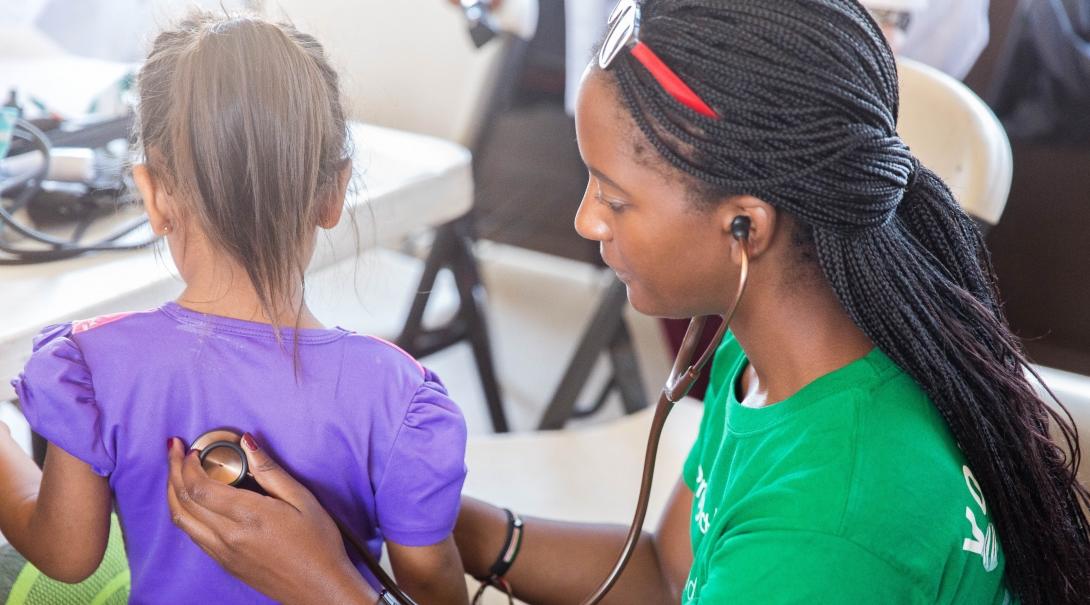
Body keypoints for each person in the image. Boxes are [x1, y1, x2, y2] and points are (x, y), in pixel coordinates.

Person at [166, 1, 1090, 604]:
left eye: (613, 195)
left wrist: (327, 584)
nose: (581, 218)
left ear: (745, 224)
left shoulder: (828, 528)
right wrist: (440, 517)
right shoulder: (781, 344)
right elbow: (664, 574)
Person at [0, 12, 470, 605]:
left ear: (152, 193)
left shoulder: (87, 366)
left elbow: (65, 556)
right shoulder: (401, 396)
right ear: (334, 193)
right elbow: (429, 580)